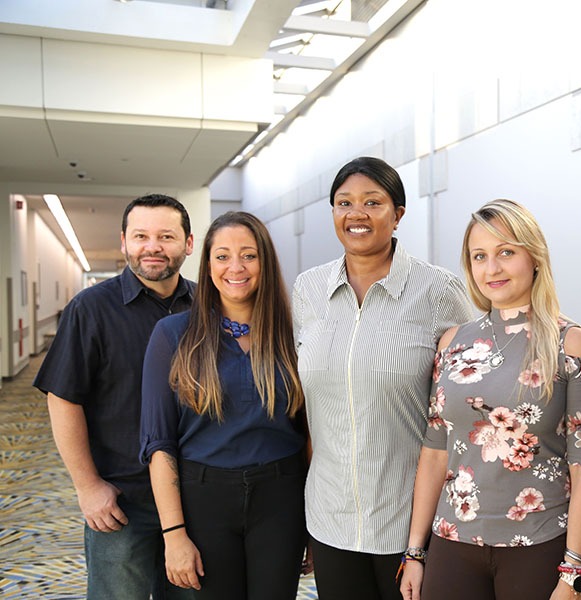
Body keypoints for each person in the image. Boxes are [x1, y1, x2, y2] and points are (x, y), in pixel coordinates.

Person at [399, 199, 581, 600]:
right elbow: (435, 451)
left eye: (506, 252)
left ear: (535, 256)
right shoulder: (452, 343)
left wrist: (575, 569)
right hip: (452, 542)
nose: (491, 268)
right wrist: (416, 551)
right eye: (479, 256)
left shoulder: (572, 345)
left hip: (539, 545)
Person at [292, 156, 473, 600]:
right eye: (344, 203)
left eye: (372, 202)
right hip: (330, 518)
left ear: (398, 214)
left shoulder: (437, 291)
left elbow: (473, 386)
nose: (357, 214)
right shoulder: (308, 290)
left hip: (411, 523)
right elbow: (310, 410)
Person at [33, 194, 195, 599]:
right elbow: (63, 398)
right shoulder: (90, 309)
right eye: (141, 236)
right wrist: (87, 487)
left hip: (199, 498)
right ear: (124, 242)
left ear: (188, 244)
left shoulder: (209, 307)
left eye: (166, 236)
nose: (153, 247)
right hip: (122, 502)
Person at [139, 211, 307, 599]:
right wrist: (174, 535)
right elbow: (158, 443)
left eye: (249, 255)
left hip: (281, 497)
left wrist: (316, 526)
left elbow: (312, 431)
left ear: (265, 262)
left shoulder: (293, 334)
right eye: (222, 256)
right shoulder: (173, 335)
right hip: (204, 499)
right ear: (207, 263)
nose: (236, 267)